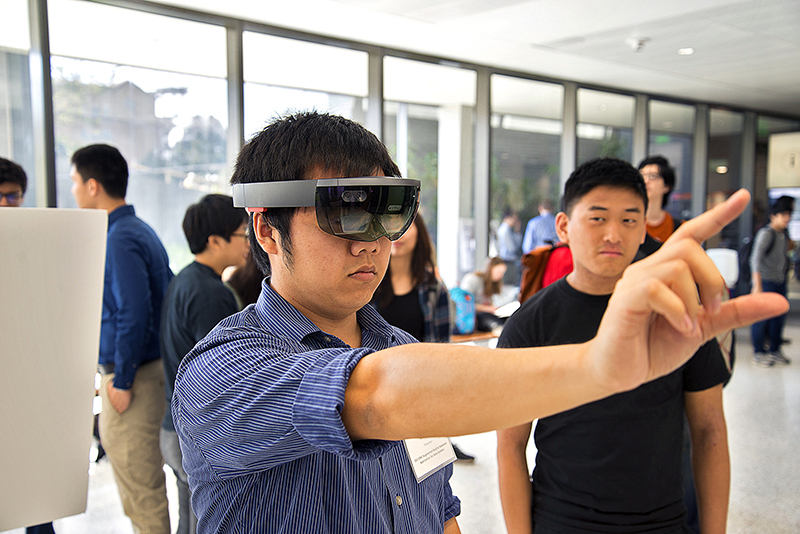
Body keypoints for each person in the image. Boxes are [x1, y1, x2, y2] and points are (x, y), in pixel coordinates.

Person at [171, 111, 787, 534]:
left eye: (388, 212)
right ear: (265, 227)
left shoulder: (400, 345)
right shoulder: (221, 372)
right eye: (342, 214)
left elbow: (434, 506)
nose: (373, 244)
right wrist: (597, 364)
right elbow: (374, 394)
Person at [496, 158, 731, 534]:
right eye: (597, 218)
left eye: (629, 220)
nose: (613, 235)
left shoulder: (679, 313)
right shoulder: (531, 323)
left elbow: (709, 431)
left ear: (643, 230)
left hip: (663, 522)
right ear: (564, 226)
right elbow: (511, 445)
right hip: (561, 522)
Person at [70, 144, 172, 534]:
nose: (75, 190)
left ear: (93, 186)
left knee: (140, 491)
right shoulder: (136, 228)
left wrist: (123, 380)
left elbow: (133, 312)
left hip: (136, 377)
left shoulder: (119, 237)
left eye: (76, 182)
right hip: (146, 370)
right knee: (141, 487)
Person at [159, 194, 249, 534]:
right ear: (215, 241)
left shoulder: (186, 279)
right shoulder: (210, 295)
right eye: (242, 233)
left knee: (190, 523)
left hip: (174, 428)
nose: (249, 241)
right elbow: (222, 374)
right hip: (192, 437)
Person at [371, 213, 474, 462]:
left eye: (404, 227)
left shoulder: (433, 289)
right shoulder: (367, 283)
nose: (397, 235)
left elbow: (440, 350)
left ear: (419, 234)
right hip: (375, 382)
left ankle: (442, 441)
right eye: (390, 227)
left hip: (418, 381)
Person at [1, 157, 57, 534]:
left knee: (37, 501)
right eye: (0, 197)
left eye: (14, 196)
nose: (8, 205)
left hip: (28, 387)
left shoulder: (36, 248)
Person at [750, 196, 794, 367]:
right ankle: (759, 353)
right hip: (766, 281)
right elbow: (755, 259)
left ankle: (774, 350)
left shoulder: (783, 234)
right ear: (773, 216)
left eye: (788, 215)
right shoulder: (766, 233)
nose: (787, 219)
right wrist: (757, 284)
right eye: (783, 215)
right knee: (761, 318)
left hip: (780, 281)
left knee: (779, 318)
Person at [460, 257, 513, 331]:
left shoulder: (491, 284)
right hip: (472, 317)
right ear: (490, 269)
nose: (501, 275)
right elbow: (463, 304)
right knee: (489, 320)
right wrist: (487, 308)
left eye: (502, 273)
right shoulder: (473, 279)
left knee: (509, 320)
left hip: (486, 315)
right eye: (499, 272)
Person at [638, 155, 681, 244]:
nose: (646, 181)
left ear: (667, 186)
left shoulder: (679, 228)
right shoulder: (629, 223)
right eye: (642, 175)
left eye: (653, 176)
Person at [496, 208, 523, 285]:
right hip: (508, 260)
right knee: (509, 284)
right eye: (514, 219)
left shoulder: (507, 230)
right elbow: (512, 248)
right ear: (508, 218)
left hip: (509, 261)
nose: (515, 221)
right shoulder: (505, 230)